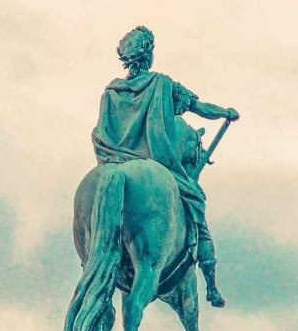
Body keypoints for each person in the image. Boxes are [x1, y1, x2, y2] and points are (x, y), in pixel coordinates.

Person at [92, 26, 239, 308]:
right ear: (148, 55)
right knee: (195, 202)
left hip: (112, 162)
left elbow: (102, 133)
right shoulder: (162, 84)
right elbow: (199, 108)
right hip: (156, 165)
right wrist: (225, 112)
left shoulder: (111, 93)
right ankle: (210, 281)